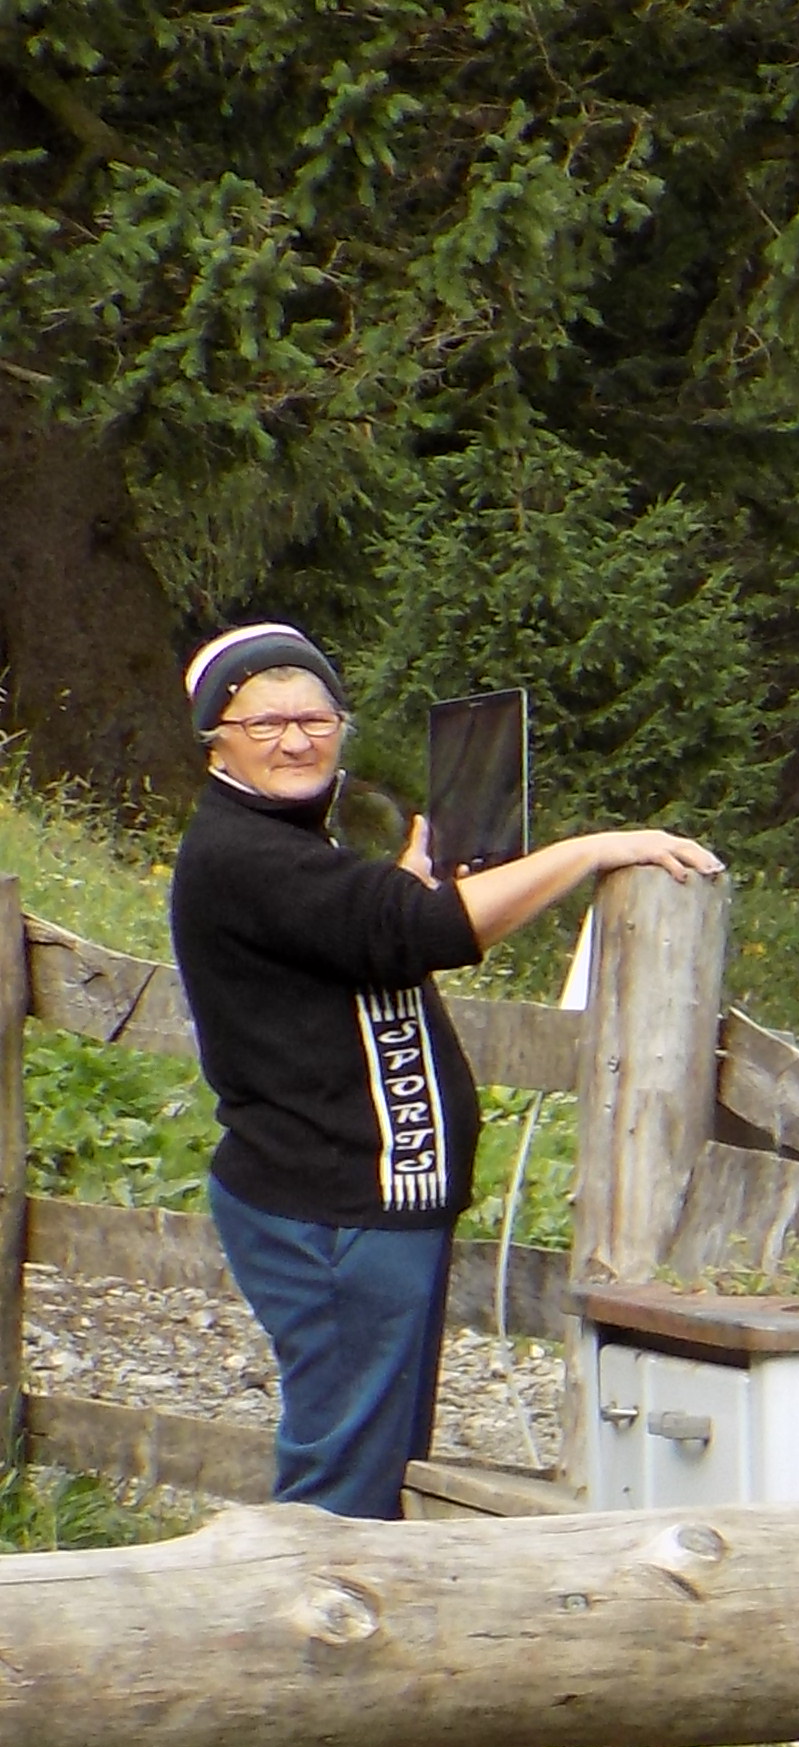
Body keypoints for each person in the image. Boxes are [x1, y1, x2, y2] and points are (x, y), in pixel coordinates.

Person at [166, 622, 722, 1516]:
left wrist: (403, 886)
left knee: (379, 1468)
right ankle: (311, 1610)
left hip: (364, 1207)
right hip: (330, 1210)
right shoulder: (244, 854)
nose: (297, 740)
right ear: (215, 744)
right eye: (265, 724)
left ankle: (345, 1601)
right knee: (343, 1487)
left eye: (315, 718)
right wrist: (587, 851)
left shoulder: (297, 848)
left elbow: (365, 933)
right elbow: (420, 932)